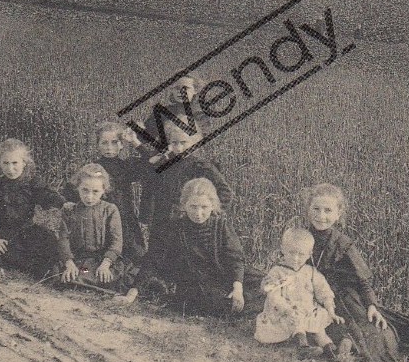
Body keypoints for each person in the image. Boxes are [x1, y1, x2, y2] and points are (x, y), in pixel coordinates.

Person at [302, 183, 409, 362]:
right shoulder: (300, 238)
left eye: (328, 210)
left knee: (374, 332)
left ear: (338, 214)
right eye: (316, 208)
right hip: (311, 295)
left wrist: (371, 305)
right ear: (308, 209)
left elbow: (363, 281)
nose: (321, 216)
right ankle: (341, 348)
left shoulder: (343, 244)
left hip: (344, 298)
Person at [119, 178, 261, 316]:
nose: (198, 213)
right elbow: (153, 260)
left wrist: (237, 288)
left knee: (266, 283)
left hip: (224, 274)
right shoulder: (174, 228)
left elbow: (235, 259)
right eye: (193, 206)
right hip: (196, 283)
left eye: (204, 207)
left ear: (213, 206)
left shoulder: (221, 226)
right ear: (184, 205)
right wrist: (132, 293)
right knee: (216, 301)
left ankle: (241, 301)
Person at [0, 139, 65, 279]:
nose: (10, 169)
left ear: (24, 163)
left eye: (15, 163)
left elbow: (47, 196)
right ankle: (12, 264)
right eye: (5, 163)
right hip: (2, 234)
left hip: (27, 232)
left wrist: (63, 203)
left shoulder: (31, 185)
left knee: (48, 243)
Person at [63, 122, 148, 272]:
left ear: (122, 144)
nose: (109, 148)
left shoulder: (127, 166)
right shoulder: (93, 168)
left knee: (137, 258)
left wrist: (135, 141)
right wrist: (69, 203)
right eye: (104, 143)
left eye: (115, 143)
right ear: (97, 145)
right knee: (99, 253)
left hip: (124, 218)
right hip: (100, 218)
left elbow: (151, 165)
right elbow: (72, 188)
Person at [255, 227, 344, 360]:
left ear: (309, 254)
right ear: (283, 249)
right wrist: (287, 309)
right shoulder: (277, 272)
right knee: (296, 319)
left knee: (319, 326)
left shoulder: (311, 272)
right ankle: (302, 347)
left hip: (307, 311)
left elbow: (324, 292)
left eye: (301, 254)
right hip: (283, 312)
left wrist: (331, 311)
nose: (296, 258)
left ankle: (329, 348)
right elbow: (274, 297)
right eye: (291, 252)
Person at [58, 163, 126, 290]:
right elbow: (63, 238)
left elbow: (117, 241)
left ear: (104, 190)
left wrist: (106, 264)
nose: (89, 197)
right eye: (85, 190)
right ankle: (79, 277)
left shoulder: (110, 210)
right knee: (63, 271)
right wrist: (69, 263)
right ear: (77, 187)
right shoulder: (69, 210)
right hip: (78, 261)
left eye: (95, 191)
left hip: (102, 261)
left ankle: (85, 280)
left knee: (107, 274)